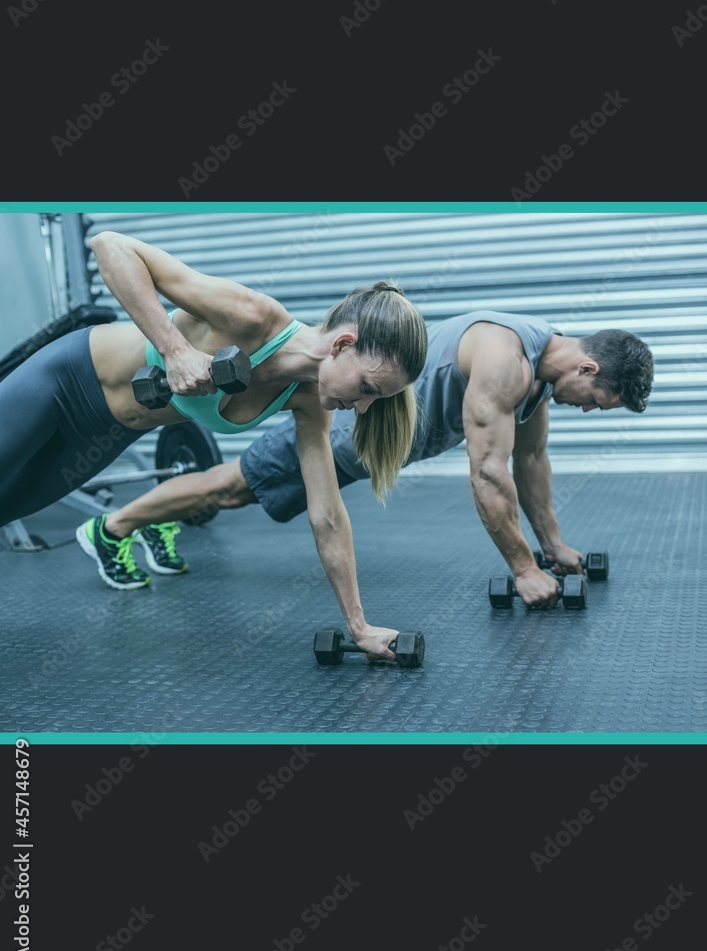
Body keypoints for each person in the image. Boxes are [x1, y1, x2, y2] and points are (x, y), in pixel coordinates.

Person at [0, 231, 428, 661]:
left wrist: (359, 626)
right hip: (61, 383)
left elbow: (327, 514)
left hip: (105, 435)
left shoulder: (307, 401)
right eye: (368, 388)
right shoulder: (250, 316)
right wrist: (174, 350)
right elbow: (108, 244)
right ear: (342, 344)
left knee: (7, 506)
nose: (364, 407)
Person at [96, 309, 654, 610]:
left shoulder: (539, 379)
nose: (591, 413)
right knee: (234, 487)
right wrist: (524, 569)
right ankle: (113, 526)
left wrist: (552, 547)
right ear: (589, 370)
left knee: (238, 488)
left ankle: (143, 526)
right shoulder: (506, 357)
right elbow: (488, 472)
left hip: (378, 445)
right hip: (347, 428)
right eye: (601, 404)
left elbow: (531, 465)